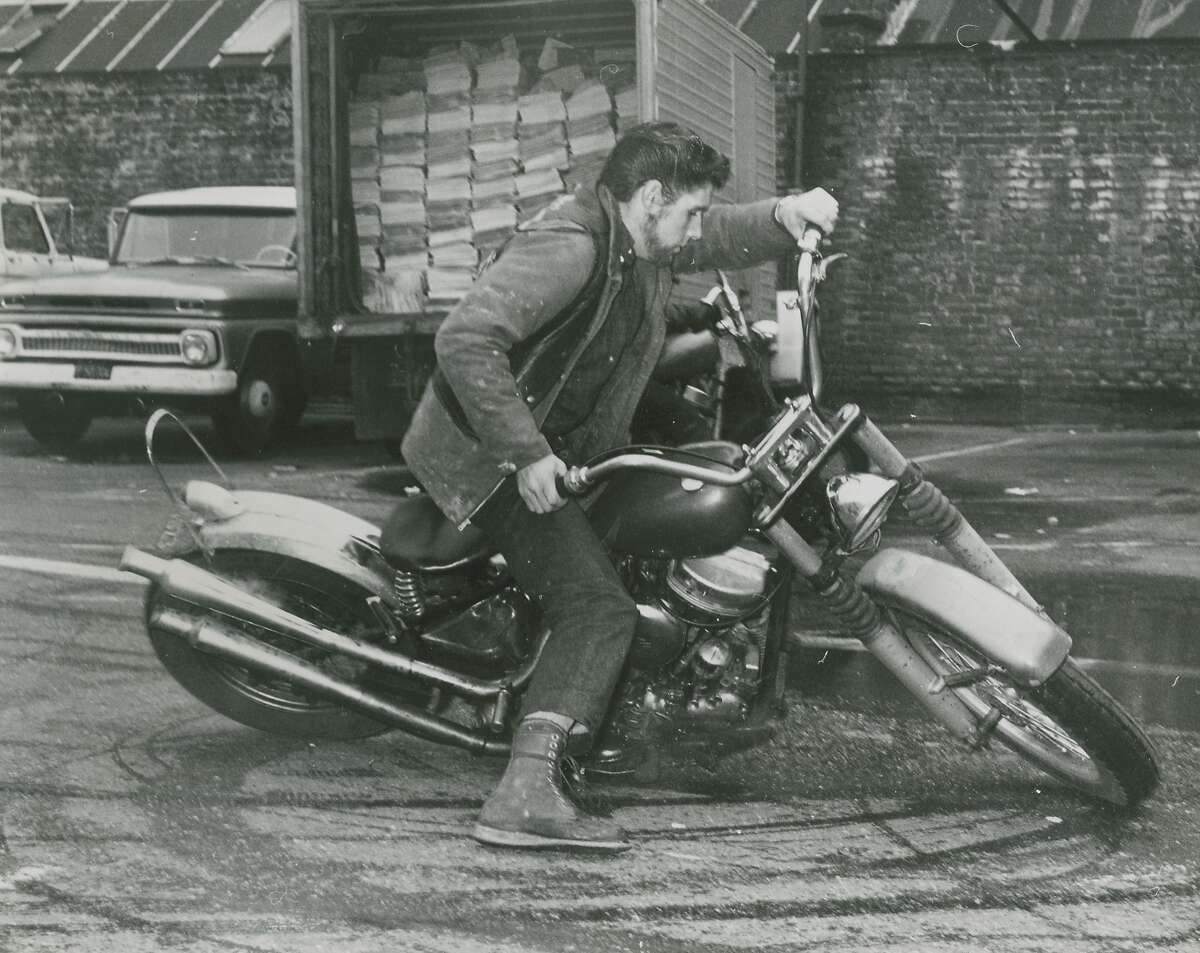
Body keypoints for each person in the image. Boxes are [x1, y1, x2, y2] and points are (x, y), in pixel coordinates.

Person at [401, 121, 839, 853]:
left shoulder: (639, 237)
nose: (697, 226)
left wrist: (784, 215)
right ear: (651, 196)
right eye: (690, 210)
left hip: (564, 441)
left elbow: (720, 234)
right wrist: (528, 454)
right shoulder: (572, 246)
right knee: (597, 605)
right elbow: (465, 338)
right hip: (488, 455)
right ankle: (524, 794)